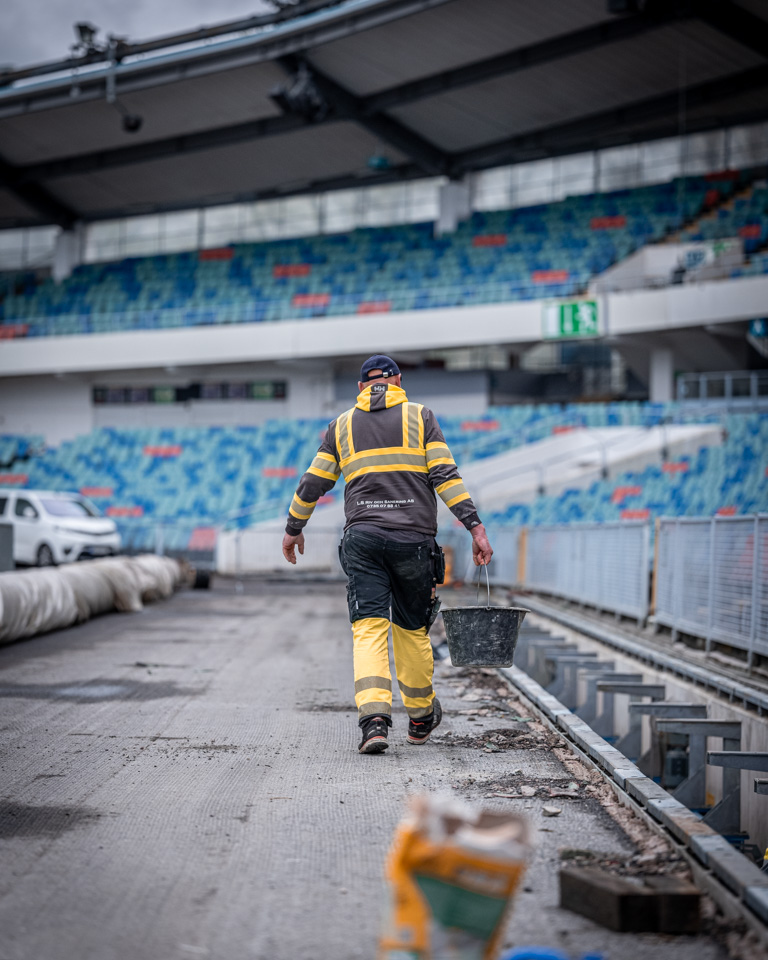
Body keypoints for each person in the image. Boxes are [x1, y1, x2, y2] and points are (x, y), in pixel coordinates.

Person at [282, 355, 492, 754]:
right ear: (397, 381)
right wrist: (475, 527)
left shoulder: (340, 426)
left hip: (362, 539)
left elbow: (312, 483)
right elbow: (446, 476)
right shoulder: (421, 417)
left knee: (369, 628)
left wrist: (294, 529)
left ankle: (374, 722)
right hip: (413, 542)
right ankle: (419, 717)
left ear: (362, 388)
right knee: (411, 631)